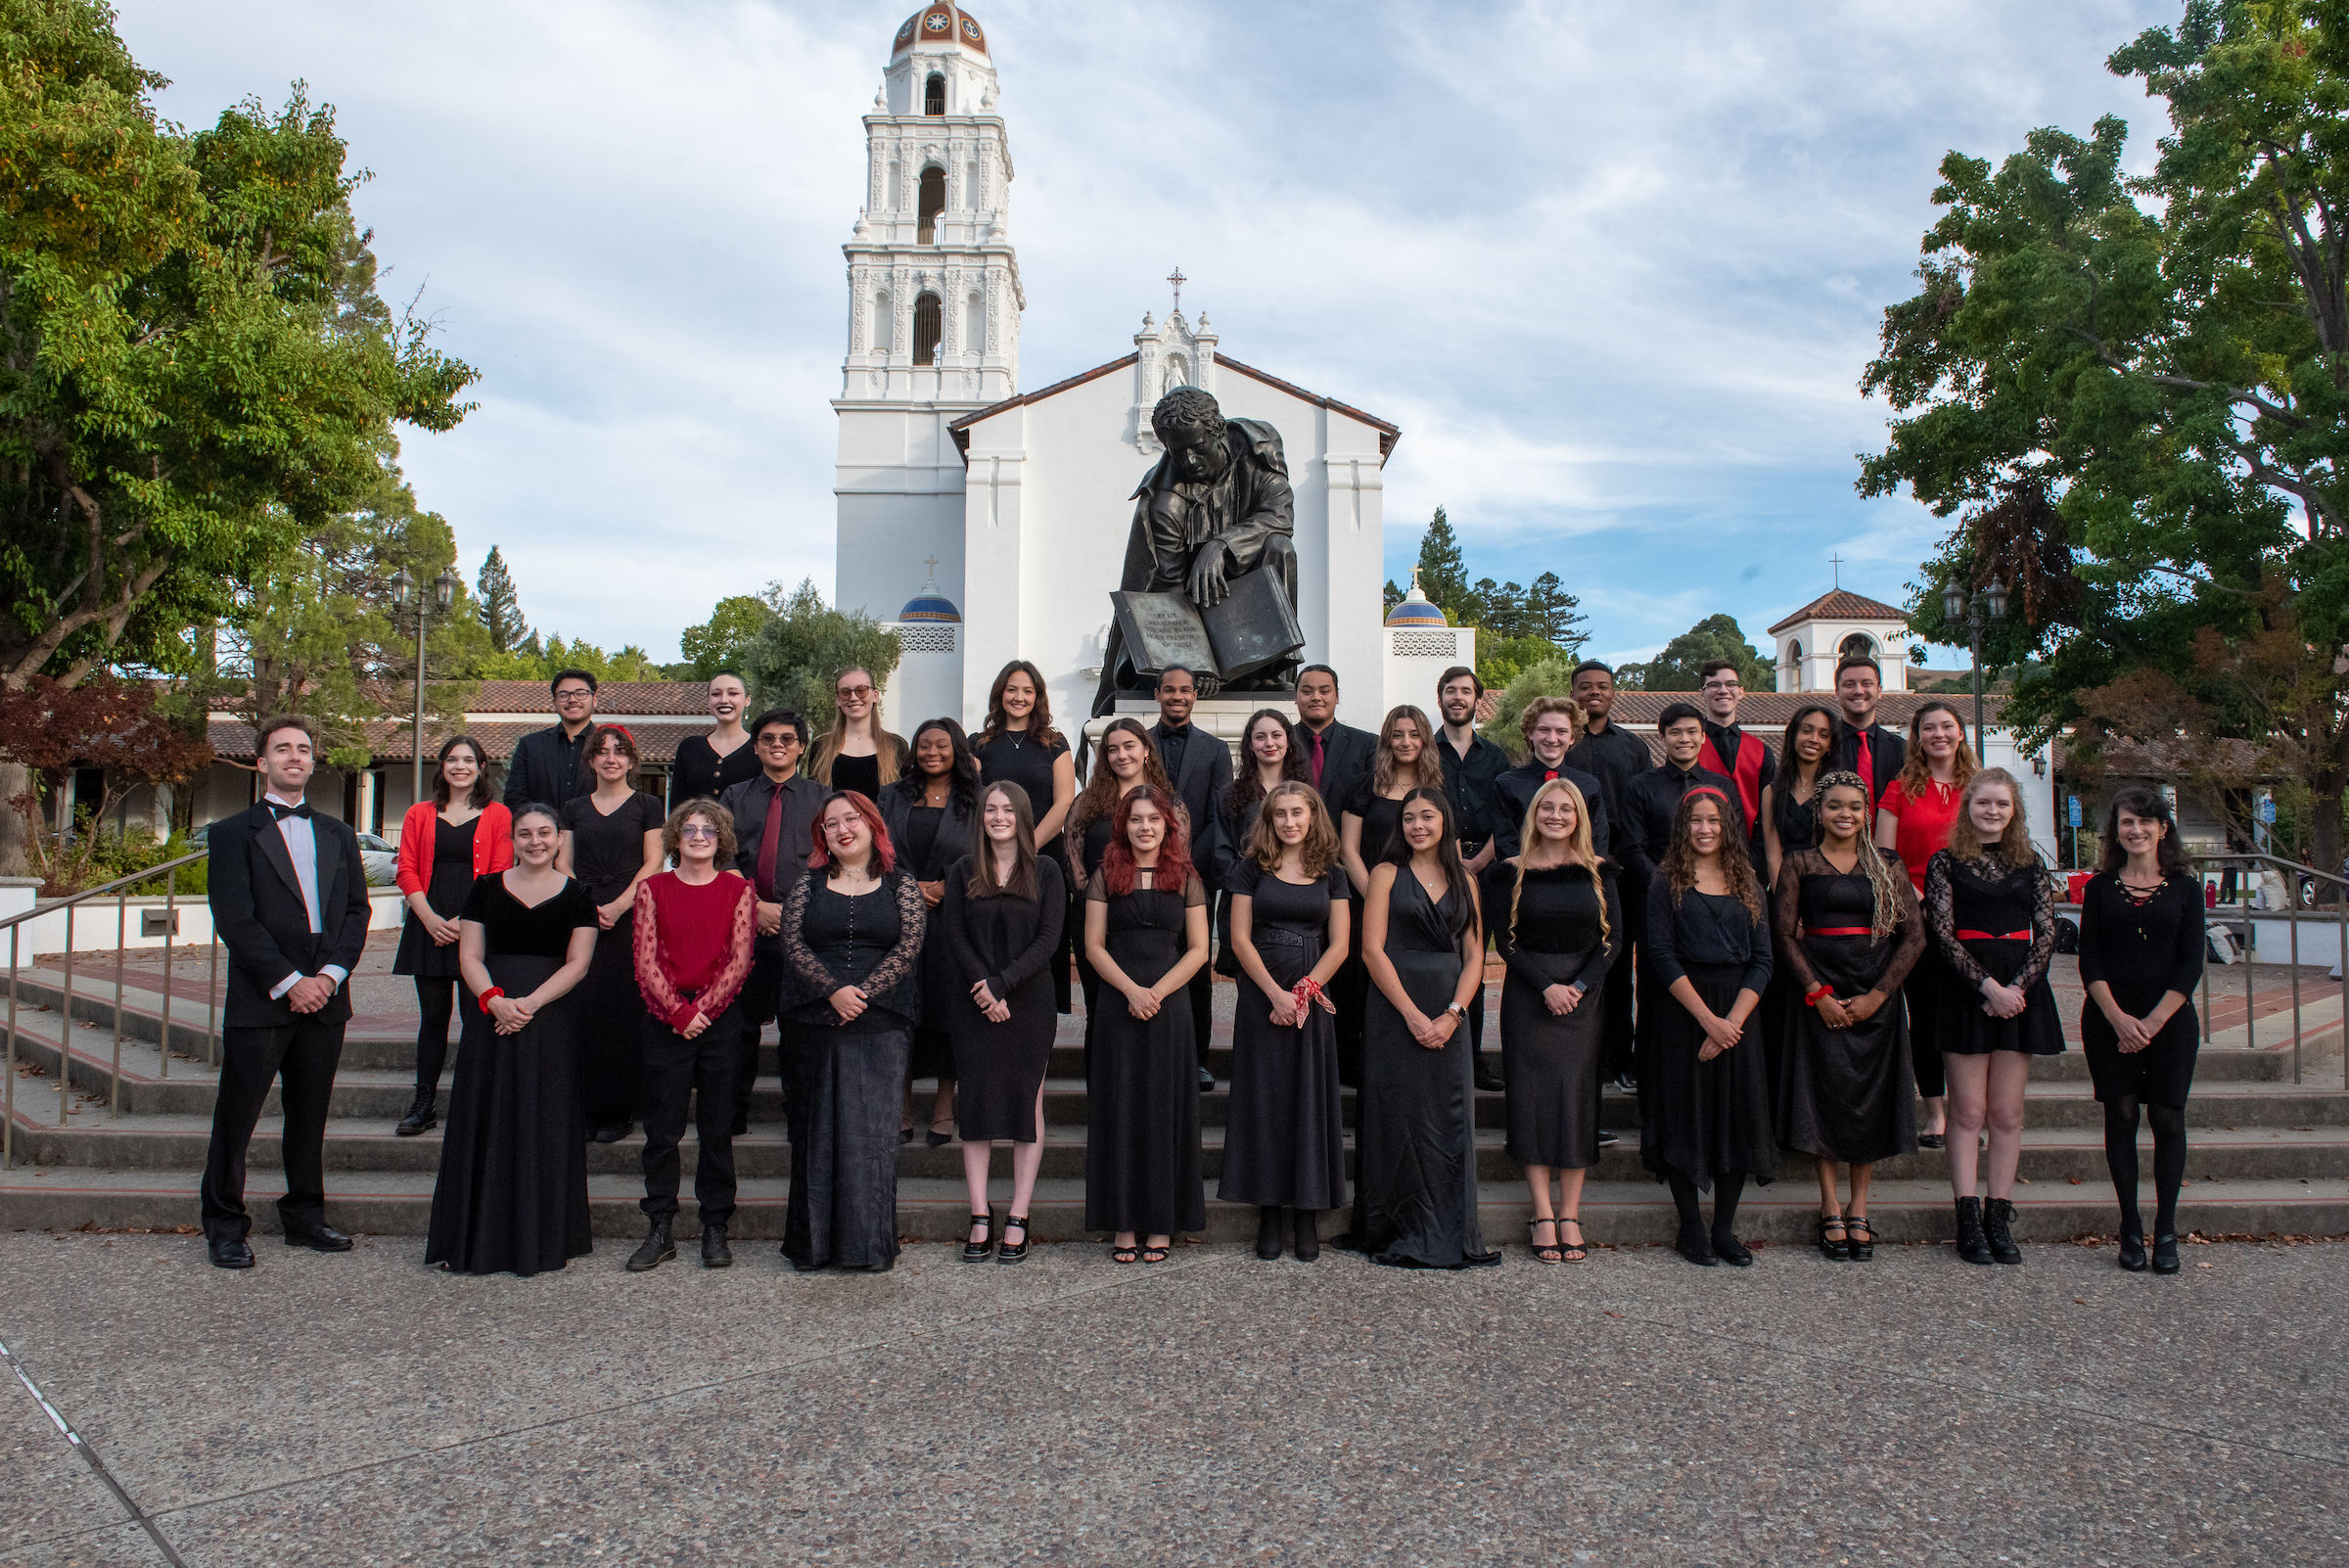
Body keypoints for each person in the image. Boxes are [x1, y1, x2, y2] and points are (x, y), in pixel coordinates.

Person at [200, 715, 372, 1268]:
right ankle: (225, 1225)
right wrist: (289, 982)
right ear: (262, 763)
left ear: (313, 761)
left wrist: (329, 978)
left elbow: (355, 911)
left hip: (326, 998)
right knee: (238, 1115)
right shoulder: (231, 834)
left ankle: (304, 1215)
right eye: (282, 749)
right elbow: (236, 919)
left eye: (303, 749)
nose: (294, 757)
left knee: (310, 1114)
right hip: (262, 998)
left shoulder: (340, 834)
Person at [425, 804, 598, 1276]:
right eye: (525, 833)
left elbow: (578, 963)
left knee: (544, 1119)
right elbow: (471, 955)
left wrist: (530, 1005)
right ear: (513, 840)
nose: (536, 841)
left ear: (559, 840)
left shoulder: (579, 894)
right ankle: (476, 1236)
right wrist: (495, 1000)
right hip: (491, 1019)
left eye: (545, 833)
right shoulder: (483, 889)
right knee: (488, 1116)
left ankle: (541, 1238)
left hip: (551, 1018)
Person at [1772, 771, 1925, 1263]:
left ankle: (1860, 1206)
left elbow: (1914, 937)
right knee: (1824, 1098)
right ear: (1819, 811)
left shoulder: (1887, 863)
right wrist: (1817, 993)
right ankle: (1830, 1205)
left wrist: (1880, 996)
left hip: (1875, 992)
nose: (1845, 814)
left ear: (1867, 814)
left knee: (1869, 1102)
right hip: (1820, 991)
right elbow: (1784, 935)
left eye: (1854, 807)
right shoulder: (1800, 862)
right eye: (1835, 806)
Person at [779, 790, 928, 1272]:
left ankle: (867, 1246)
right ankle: (814, 1247)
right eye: (831, 824)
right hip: (814, 1019)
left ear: (871, 824)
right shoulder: (808, 884)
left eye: (852, 819)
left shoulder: (900, 884)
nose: (843, 829)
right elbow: (794, 943)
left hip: (881, 1020)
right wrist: (833, 992)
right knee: (814, 1133)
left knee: (872, 1137)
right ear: (822, 836)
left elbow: (908, 947)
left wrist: (861, 993)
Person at [1350, 787, 1497, 1268]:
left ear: (1444, 822)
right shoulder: (1385, 874)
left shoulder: (1466, 880)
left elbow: (1475, 955)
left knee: (1446, 1120)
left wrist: (1453, 1014)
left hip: (1449, 1011)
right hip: (1395, 1011)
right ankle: (1394, 1225)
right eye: (1409, 818)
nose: (1417, 825)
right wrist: (1412, 1014)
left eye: (1427, 817)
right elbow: (1372, 950)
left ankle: (1450, 1228)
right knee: (1397, 1117)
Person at [1925, 768, 2061, 1268]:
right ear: (1969, 808)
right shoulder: (1946, 863)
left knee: (2006, 1114)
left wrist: (2016, 990)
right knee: (1966, 1113)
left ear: (2013, 811)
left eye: (2002, 805)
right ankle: (1966, 1218)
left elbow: (2046, 932)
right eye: (1984, 803)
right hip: (1967, 988)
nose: (1993, 812)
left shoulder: (2030, 864)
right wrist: (1987, 987)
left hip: (2020, 990)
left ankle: (1998, 1217)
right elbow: (1941, 932)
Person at [1641, 787, 1774, 1268]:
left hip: (1738, 1013)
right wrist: (1707, 1021)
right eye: (1696, 821)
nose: (1704, 829)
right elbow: (1659, 954)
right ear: (1683, 826)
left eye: (1714, 821)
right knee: (1685, 1113)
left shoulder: (1748, 882)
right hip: (1683, 1012)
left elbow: (1763, 959)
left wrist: (1732, 1023)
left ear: (1727, 826)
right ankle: (1691, 1228)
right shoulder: (1665, 881)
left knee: (1735, 1116)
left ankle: (1723, 1228)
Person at [1493, 778, 1622, 1265]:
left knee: (1576, 1098)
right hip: (1529, 995)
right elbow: (1504, 941)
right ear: (1533, 814)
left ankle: (1570, 1212)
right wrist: (1545, 985)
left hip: (1584, 998)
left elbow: (1613, 940)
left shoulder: (1600, 871)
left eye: (1566, 809)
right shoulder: (1511, 872)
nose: (1556, 816)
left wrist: (1579, 986)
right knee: (1530, 1098)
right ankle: (1542, 1212)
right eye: (1546, 807)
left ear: (1579, 817)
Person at [1221, 781, 1351, 1262]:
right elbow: (1238, 938)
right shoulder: (1250, 869)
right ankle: (1270, 1212)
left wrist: (1305, 991)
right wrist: (1274, 995)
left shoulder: (1332, 872)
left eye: (1299, 813)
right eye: (1281, 814)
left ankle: (1306, 1213)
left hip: (1311, 995)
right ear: (1269, 820)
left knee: (1307, 1099)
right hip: (1262, 995)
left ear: (1313, 816)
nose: (1290, 821)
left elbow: (1340, 943)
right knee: (1265, 1102)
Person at [2078, 787, 2205, 1275]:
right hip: (2109, 1020)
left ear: (2163, 829)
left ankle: (2166, 1231)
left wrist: (2151, 1022)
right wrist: (2118, 1019)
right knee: (2123, 1116)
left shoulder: (2187, 889)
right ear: (2117, 830)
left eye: (2146, 822)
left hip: (2169, 1023)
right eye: (2127, 822)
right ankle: (2130, 1228)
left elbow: (2190, 964)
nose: (2136, 830)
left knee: (2169, 1120)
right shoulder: (2099, 887)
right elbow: (2090, 960)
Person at [938, 781, 1066, 1265]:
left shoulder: (1046, 870)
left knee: (1026, 1104)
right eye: (990, 809)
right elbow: (954, 935)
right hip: (972, 1002)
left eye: (1008, 808)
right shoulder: (964, 870)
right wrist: (983, 987)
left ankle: (1018, 1212)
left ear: (1023, 816)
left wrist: (1003, 985)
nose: (998, 816)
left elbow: (1049, 939)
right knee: (976, 1105)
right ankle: (978, 1211)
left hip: (1029, 1004)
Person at [626, 800, 757, 1272]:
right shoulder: (651, 889)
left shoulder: (738, 889)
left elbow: (739, 958)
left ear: (721, 839)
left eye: (708, 830)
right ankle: (660, 1225)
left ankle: (715, 1226)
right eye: (689, 830)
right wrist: (679, 1013)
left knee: (717, 1130)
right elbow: (645, 959)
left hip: (721, 1022)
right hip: (665, 1019)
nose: (698, 836)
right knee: (662, 1131)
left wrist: (701, 1010)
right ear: (675, 838)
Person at [1082, 784, 1211, 1264]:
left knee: (1164, 1110)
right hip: (1119, 1003)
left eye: (1153, 820)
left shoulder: (1185, 875)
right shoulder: (1105, 874)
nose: (1144, 828)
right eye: (1136, 819)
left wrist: (1157, 992)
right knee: (1121, 1110)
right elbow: (1094, 945)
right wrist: (1132, 992)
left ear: (1167, 825)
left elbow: (1199, 949)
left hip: (1169, 1004)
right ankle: (1124, 1222)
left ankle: (1161, 1221)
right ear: (1124, 825)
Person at [392, 735, 514, 1136]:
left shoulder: (498, 815)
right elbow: (406, 868)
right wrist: (428, 918)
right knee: (433, 1018)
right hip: (428, 925)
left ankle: (472, 1101)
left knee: (476, 1017)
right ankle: (423, 1102)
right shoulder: (418, 814)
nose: (459, 766)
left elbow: (499, 873)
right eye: (451, 759)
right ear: (441, 766)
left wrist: (466, 921)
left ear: (481, 767)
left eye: (468, 760)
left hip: (476, 927)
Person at [716, 708, 827, 1137]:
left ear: (801, 746)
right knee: (738, 1028)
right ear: (756, 745)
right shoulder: (733, 797)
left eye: (786, 738)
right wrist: (754, 906)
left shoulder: (823, 800)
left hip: (802, 930)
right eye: (767, 738)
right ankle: (733, 1113)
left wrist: (790, 912)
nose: (777, 745)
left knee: (799, 1029)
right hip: (740, 929)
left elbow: (831, 862)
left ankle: (799, 1114)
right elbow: (719, 857)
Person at [555, 725, 667, 1144]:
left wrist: (620, 905)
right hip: (581, 911)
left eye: (619, 752)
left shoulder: (647, 805)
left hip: (630, 913)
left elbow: (653, 861)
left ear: (632, 761)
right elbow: (562, 862)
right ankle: (585, 1105)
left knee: (623, 1011)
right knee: (582, 1009)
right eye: (601, 752)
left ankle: (619, 1108)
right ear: (591, 761)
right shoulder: (573, 808)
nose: (611, 758)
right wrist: (586, 904)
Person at [1876, 700, 1977, 1151]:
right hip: (1916, 918)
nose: (1938, 734)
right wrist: (1920, 901)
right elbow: (1884, 855)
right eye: (1928, 728)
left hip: (1973, 919)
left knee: (1967, 1017)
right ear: (1917, 737)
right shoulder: (1900, 789)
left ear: (1960, 733)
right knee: (1926, 1016)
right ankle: (1936, 1113)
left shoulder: (1981, 787)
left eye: (1947, 726)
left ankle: (1969, 1110)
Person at [880, 718, 980, 1145]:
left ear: (957, 749)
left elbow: (986, 851)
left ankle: (943, 1107)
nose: (932, 752)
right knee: (901, 1011)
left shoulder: (975, 800)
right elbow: (876, 848)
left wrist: (945, 884)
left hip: (952, 919)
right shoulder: (891, 796)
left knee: (945, 1015)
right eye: (924, 745)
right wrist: (909, 888)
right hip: (896, 920)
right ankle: (900, 1107)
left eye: (941, 745)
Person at [1566, 660, 1652, 1096]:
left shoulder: (1634, 749)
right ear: (1573, 693)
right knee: (1583, 963)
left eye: (1602, 687)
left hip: (1623, 872)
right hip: (1571, 873)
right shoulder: (1563, 746)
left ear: (1614, 693)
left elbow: (1641, 812)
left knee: (1620, 967)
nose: (1593, 693)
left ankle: (1624, 1058)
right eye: (1585, 687)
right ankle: (1588, 1060)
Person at [1066, 717, 1178, 1050]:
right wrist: (1103, 905)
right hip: (1095, 920)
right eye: (1112, 749)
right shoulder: (1086, 803)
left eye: (1129, 746)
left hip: (1150, 922)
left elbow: (1178, 863)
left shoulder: (1169, 804)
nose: (1121, 755)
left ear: (1146, 751)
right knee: (1100, 1010)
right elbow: (1074, 864)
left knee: (1151, 1008)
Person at [972, 660, 1078, 1013]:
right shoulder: (979, 744)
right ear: (1000, 694)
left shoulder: (1055, 743)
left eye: (1027, 691)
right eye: (1012, 689)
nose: (1019, 697)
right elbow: (974, 801)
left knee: (1043, 942)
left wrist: (1025, 847)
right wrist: (1003, 849)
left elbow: (1064, 801)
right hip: (992, 861)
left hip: (1043, 859)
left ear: (1038, 697)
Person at [1149, 665, 1233, 1090]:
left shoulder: (1216, 750)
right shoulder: (1139, 743)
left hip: (1196, 875)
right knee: (1149, 957)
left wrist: (1189, 864)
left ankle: (1197, 1058)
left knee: (1196, 966)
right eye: (1169, 690)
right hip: (1142, 872)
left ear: (1195, 696)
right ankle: (1151, 1052)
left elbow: (1220, 817)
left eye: (1185, 690)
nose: (1177, 696)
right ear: (1158, 694)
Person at [1491, 697, 1611, 860]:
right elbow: (1505, 844)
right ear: (1530, 733)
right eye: (1544, 730)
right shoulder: (1506, 784)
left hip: (1577, 879)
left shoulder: (1589, 786)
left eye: (1561, 731)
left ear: (1572, 738)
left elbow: (1597, 842)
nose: (1552, 738)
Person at [1340, 705, 1444, 890]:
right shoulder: (1364, 787)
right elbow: (1348, 850)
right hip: (1372, 892)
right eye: (1397, 735)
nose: (1406, 742)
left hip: (1428, 896)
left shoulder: (1440, 788)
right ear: (1387, 740)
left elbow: (1451, 848)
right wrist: (1373, 897)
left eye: (1414, 734)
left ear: (1425, 739)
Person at [1693, 660, 1775, 870]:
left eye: (1730, 684)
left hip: (1751, 861)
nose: (1723, 690)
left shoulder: (1761, 751)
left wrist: (1754, 859)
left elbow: (1768, 814)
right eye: (1714, 685)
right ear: (1701, 694)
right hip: (1696, 859)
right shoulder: (1689, 748)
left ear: (1741, 692)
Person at [1761, 703, 1838, 884]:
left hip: (1829, 886)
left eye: (1823, 735)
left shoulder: (1836, 790)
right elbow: (1773, 854)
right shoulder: (1772, 792)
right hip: (1785, 882)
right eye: (1806, 731)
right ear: (1793, 734)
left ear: (1830, 745)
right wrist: (1785, 898)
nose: (1814, 739)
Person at [503, 669, 599, 811]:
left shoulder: (609, 746)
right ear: (554, 702)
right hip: (542, 831)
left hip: (593, 832)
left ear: (594, 699)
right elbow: (515, 798)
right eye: (564, 695)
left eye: (581, 693)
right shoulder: (530, 746)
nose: (572, 699)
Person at [807, 665, 906, 800]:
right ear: (837, 699)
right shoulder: (821, 746)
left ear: (875, 695)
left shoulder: (896, 745)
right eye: (846, 692)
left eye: (861, 690)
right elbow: (813, 800)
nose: (853, 697)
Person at [1291, 664, 1376, 808]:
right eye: (1307, 692)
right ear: (1296, 698)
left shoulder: (1366, 745)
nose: (1316, 697)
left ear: (1336, 696)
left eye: (1324, 691)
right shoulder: (1282, 743)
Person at [668, 671, 760, 805]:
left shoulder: (760, 749)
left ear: (747, 700)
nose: (723, 700)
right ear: (708, 700)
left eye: (733, 693)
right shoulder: (689, 748)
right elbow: (677, 805)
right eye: (716, 694)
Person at [1831, 654, 1907, 809]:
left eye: (1866, 683)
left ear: (1879, 691)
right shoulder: (1822, 747)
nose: (1858, 691)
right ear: (1837, 692)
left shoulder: (1903, 751)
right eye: (1849, 684)